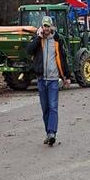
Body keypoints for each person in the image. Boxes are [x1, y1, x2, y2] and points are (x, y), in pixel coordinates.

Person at [27, 15, 71, 146]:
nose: (46, 28)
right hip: (41, 79)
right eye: (44, 26)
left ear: (52, 27)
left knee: (53, 107)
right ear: (42, 27)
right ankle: (48, 132)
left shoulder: (57, 40)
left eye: (48, 26)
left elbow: (63, 59)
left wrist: (66, 76)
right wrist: (38, 37)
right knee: (45, 108)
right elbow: (29, 51)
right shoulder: (37, 39)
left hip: (53, 79)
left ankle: (52, 132)